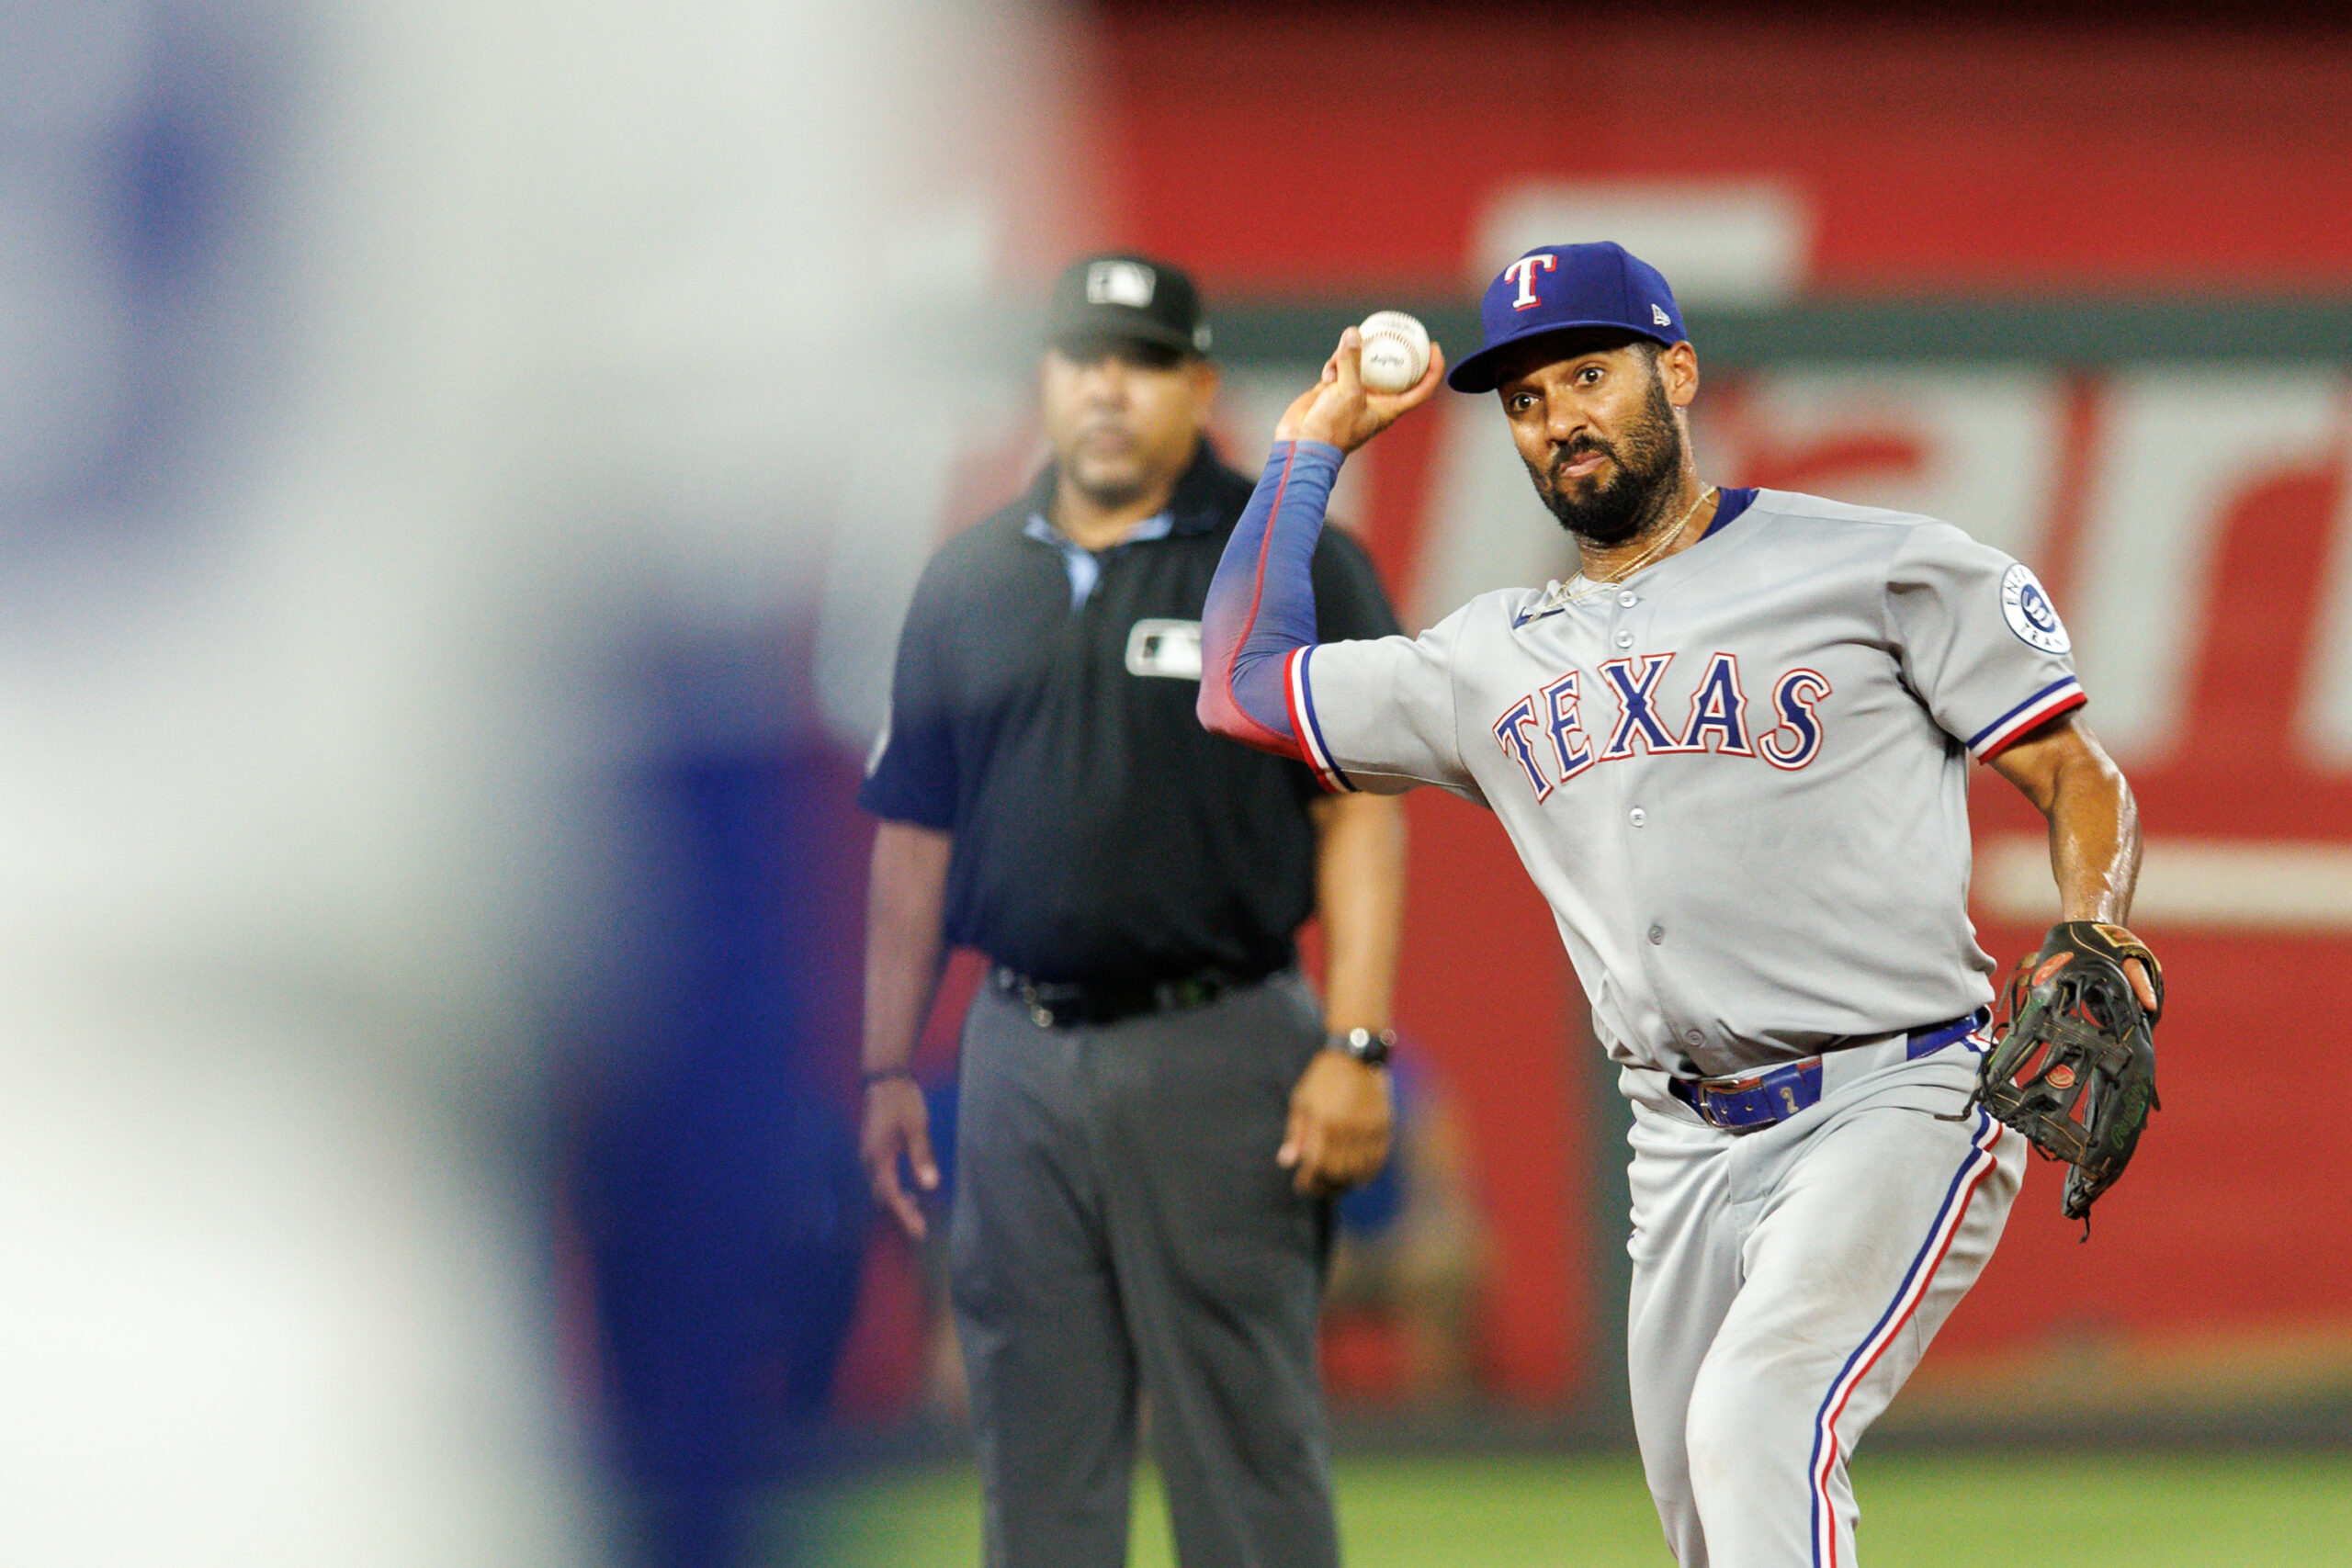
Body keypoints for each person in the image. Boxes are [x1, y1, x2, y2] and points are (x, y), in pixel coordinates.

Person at [1195, 242, 2161, 1568]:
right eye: (1527, 401)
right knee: (1712, 1520)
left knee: (1756, 1424)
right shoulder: (1483, 657)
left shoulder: (1876, 563)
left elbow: (2075, 775)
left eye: (1588, 375)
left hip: (1892, 1096)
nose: (1559, 420)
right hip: (1679, 1143)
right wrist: (1315, 440)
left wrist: (2099, 923)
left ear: (1680, 373)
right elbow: (1242, 687)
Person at [856, 252, 1408, 1568]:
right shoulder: (966, 579)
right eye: (1084, 357)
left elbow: (1362, 812)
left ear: (1201, 384)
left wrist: (1356, 1044)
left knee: (1245, 1452)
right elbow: (913, 842)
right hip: (1016, 1052)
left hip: (1219, 1045)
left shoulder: (1283, 558)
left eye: (1147, 360)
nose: (1110, 389)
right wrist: (885, 1061)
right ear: (1043, 380)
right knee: (1033, 1457)